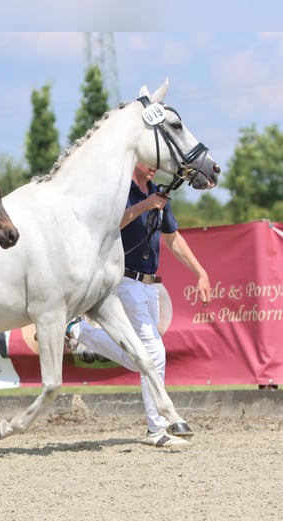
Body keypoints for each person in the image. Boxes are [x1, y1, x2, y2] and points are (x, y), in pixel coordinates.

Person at [65, 162, 212, 448]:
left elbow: (172, 238)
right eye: (150, 162)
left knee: (139, 359)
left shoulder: (159, 194)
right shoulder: (121, 191)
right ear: (135, 162)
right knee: (154, 352)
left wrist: (200, 272)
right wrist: (144, 206)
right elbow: (109, 226)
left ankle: (78, 331)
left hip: (149, 286)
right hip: (124, 282)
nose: (155, 167)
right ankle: (157, 428)